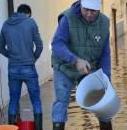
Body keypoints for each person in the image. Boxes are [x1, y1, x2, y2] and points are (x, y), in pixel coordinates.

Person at [51, 0, 112, 130]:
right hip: (64, 66)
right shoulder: (67, 18)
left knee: (103, 103)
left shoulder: (104, 23)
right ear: (81, 6)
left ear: (99, 10)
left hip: (89, 68)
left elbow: (105, 54)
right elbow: (56, 44)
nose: (89, 14)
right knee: (61, 102)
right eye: (86, 10)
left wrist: (106, 79)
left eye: (93, 11)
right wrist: (75, 60)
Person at [0, 4, 43, 130]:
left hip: (13, 68)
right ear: (28, 13)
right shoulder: (31, 22)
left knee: (13, 100)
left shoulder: (6, 24)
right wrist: (33, 58)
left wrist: (10, 56)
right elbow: (39, 46)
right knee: (36, 100)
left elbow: (1, 47)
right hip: (29, 67)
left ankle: (11, 128)